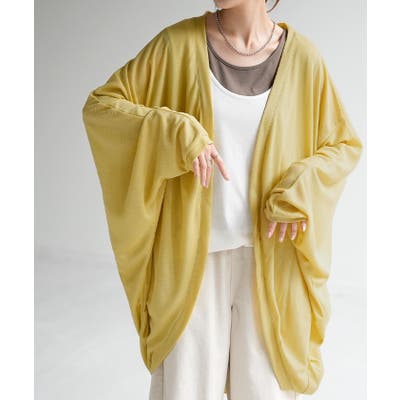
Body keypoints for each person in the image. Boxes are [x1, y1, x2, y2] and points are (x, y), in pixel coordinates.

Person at [81, 1, 363, 399]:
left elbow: (343, 146)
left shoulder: (303, 60)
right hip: (191, 267)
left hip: (271, 266)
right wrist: (172, 132)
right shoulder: (177, 46)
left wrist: (301, 186)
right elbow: (102, 107)